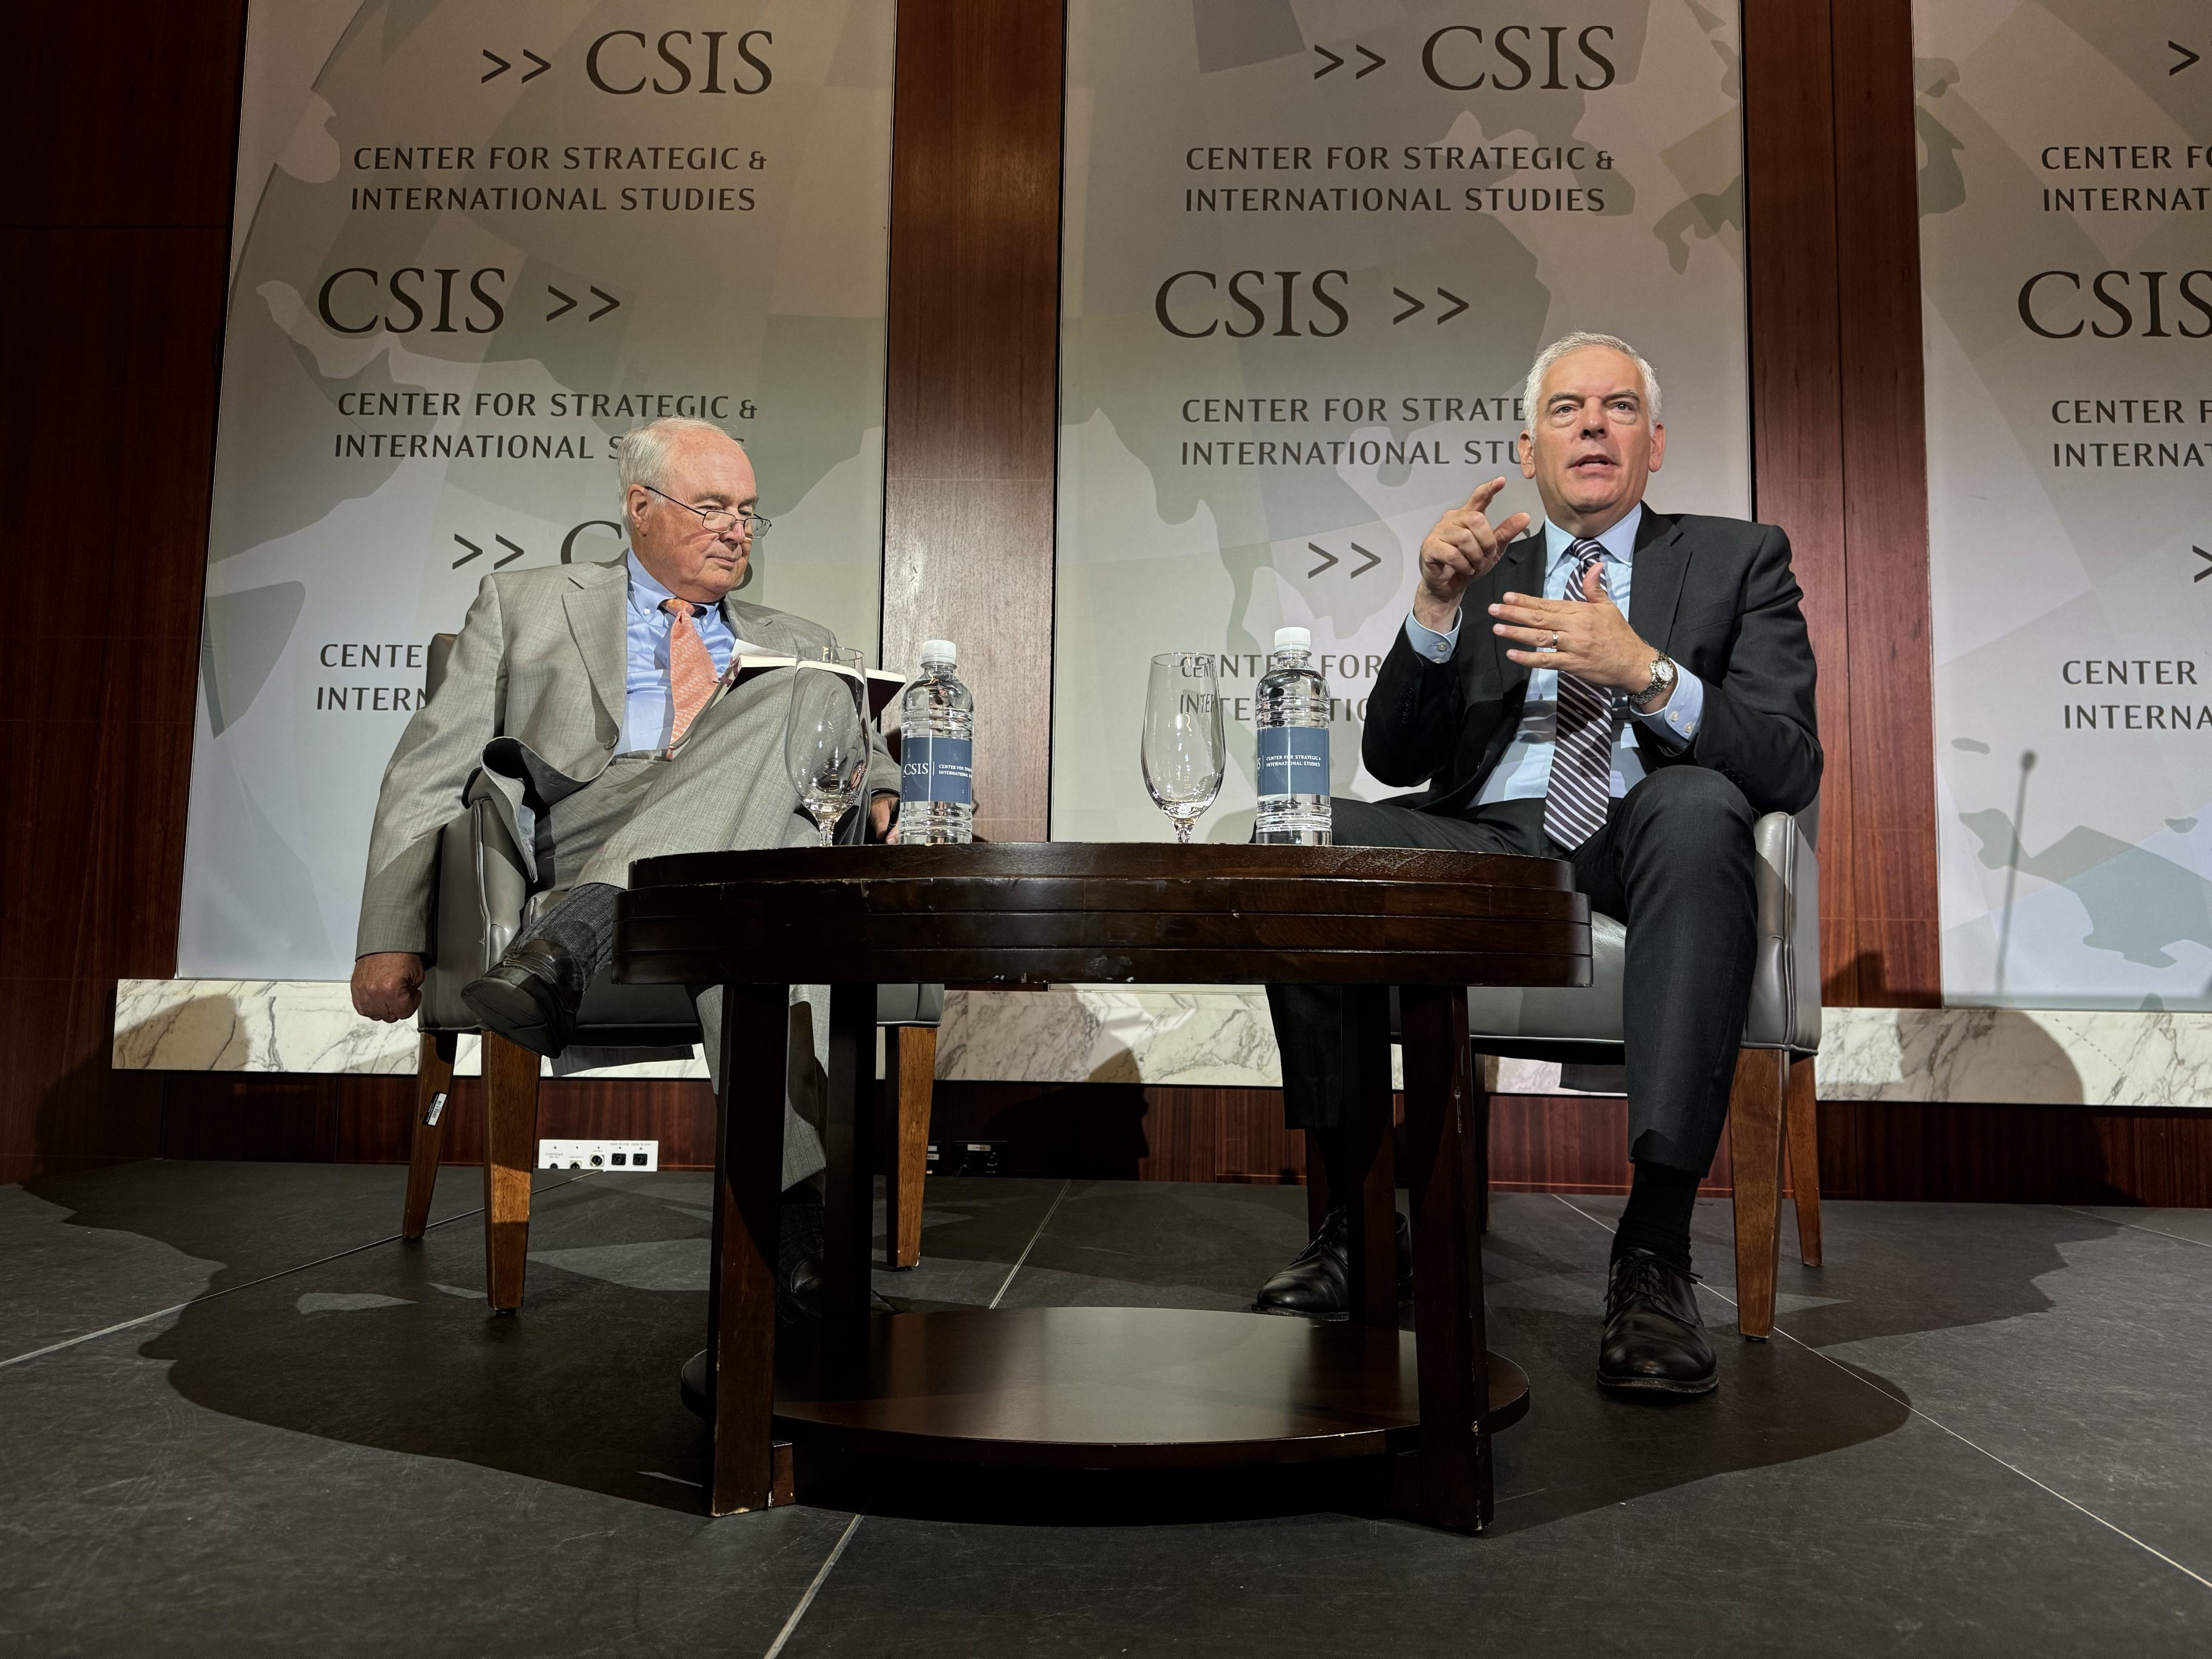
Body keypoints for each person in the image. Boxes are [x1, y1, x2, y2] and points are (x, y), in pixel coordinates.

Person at [1255, 332, 1820, 1396]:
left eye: (1616, 408)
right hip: (1488, 843)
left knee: (1700, 804)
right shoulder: (1488, 567)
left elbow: (1787, 762)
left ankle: (1651, 1255)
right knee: (1305, 832)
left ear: (1653, 443)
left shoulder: (1739, 557)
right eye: (1566, 409)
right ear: (1527, 444)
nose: (1592, 425)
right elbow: (1393, 759)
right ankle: (1357, 1220)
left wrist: (1645, 673)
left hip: (1638, 837)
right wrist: (1430, 608)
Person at [349, 415, 898, 1316]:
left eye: (750, 512)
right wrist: (391, 935)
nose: (737, 529)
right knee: (759, 899)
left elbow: (863, 763)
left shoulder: (801, 639)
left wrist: (887, 795)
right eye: (713, 507)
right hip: (597, 830)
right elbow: (429, 770)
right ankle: (803, 1244)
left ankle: (575, 941)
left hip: (721, 871)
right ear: (640, 508)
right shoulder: (522, 603)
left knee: (771, 830)